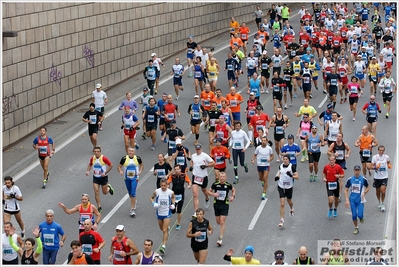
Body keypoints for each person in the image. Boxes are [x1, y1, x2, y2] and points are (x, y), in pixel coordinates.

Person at [207, 172, 235, 246]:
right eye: (221, 176)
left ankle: (220, 238)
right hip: (216, 204)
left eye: (223, 176)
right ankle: (221, 235)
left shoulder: (228, 185)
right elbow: (208, 191)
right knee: (218, 222)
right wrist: (213, 194)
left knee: (222, 222)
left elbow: (233, 190)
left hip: (225, 204)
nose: (222, 178)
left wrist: (232, 196)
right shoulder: (215, 184)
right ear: (219, 177)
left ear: (226, 177)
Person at [150, 178, 175, 255]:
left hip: (167, 213)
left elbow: (173, 198)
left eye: (165, 185)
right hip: (159, 213)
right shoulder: (157, 191)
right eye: (162, 186)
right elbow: (151, 197)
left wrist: (173, 204)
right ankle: (168, 229)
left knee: (164, 230)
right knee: (162, 228)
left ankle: (163, 246)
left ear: (167, 185)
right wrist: (153, 203)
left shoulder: (170, 192)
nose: (163, 187)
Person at [85, 146, 114, 214]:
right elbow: (90, 165)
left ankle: (109, 188)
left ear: (100, 152)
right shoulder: (93, 158)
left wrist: (105, 172)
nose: (96, 153)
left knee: (104, 192)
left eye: (98, 152)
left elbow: (111, 165)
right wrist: (88, 171)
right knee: (96, 191)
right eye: (95, 152)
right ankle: (99, 206)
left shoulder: (103, 158)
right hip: (96, 177)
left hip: (103, 178)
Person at [189, 144, 215, 218]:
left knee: (204, 190)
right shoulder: (193, 155)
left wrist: (206, 166)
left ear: (201, 149)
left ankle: (207, 198)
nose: (198, 150)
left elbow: (213, 163)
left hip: (203, 177)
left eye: (199, 149)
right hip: (195, 176)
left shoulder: (205, 156)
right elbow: (191, 161)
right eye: (197, 149)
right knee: (195, 194)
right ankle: (196, 212)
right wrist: (191, 166)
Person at [117, 147, 144, 217]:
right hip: (127, 178)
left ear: (134, 152)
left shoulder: (137, 158)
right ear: (127, 152)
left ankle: (132, 209)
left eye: (132, 151)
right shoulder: (124, 158)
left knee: (133, 193)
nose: (131, 152)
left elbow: (142, 165)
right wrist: (120, 171)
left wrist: (140, 171)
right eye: (129, 151)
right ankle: (134, 200)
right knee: (130, 193)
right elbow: (119, 166)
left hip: (135, 178)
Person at [345, 165, 370, 235]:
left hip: (360, 200)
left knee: (360, 215)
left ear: (360, 171)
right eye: (355, 170)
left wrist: (364, 192)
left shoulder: (363, 179)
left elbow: (368, 187)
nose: (357, 172)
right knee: (354, 215)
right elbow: (346, 190)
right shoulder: (350, 179)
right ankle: (356, 227)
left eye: (358, 170)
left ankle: (361, 217)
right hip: (352, 200)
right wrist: (347, 199)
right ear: (353, 171)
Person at [275, 155, 299, 227]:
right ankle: (282, 220)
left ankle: (292, 208)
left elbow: (297, 177)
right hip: (281, 186)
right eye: (284, 159)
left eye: (286, 159)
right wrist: (277, 177)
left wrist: (291, 176)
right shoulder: (280, 166)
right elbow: (279, 173)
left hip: (289, 186)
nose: (285, 160)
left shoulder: (292, 167)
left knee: (289, 201)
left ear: (289, 160)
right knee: (282, 203)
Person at [167, 165, 191, 231]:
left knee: (179, 210)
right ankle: (174, 209)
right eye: (175, 169)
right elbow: (168, 182)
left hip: (181, 195)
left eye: (178, 169)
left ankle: (178, 223)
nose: (176, 170)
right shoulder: (172, 176)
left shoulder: (184, 175)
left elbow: (189, 181)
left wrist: (189, 185)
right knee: (173, 210)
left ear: (180, 170)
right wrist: (168, 185)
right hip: (173, 196)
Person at [251, 136, 274, 200]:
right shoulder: (258, 148)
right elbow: (254, 155)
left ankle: (264, 193)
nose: (263, 142)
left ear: (266, 141)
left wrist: (270, 159)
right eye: (262, 140)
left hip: (266, 165)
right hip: (259, 165)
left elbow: (272, 156)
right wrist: (252, 159)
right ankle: (262, 182)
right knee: (261, 178)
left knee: (265, 178)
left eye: (265, 140)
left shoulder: (269, 148)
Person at [371, 145, 392, 212]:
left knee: (383, 191)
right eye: (380, 150)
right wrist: (375, 168)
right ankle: (379, 201)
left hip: (384, 176)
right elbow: (371, 166)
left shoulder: (386, 157)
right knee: (378, 191)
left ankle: (383, 203)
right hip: (377, 177)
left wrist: (389, 165)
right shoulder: (375, 157)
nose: (381, 152)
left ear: (384, 151)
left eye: (382, 150)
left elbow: (389, 162)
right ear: (378, 150)